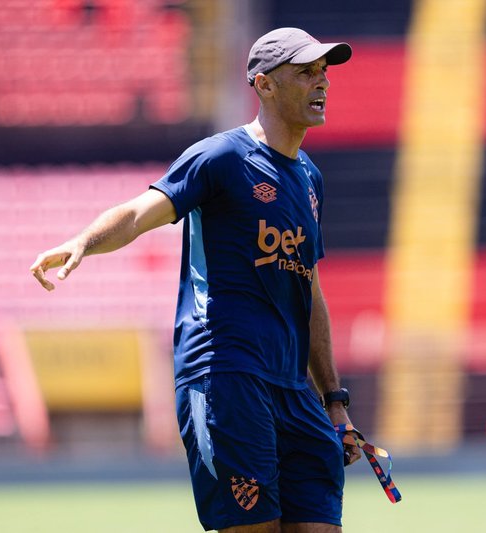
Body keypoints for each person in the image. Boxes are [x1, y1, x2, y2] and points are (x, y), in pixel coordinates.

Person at [30, 27, 360, 533]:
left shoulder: (310, 178)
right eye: (305, 72)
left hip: (296, 391)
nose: (321, 83)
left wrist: (334, 401)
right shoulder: (221, 157)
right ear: (264, 84)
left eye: (323, 72)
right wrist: (83, 241)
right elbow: (142, 211)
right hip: (226, 376)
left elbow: (307, 289)